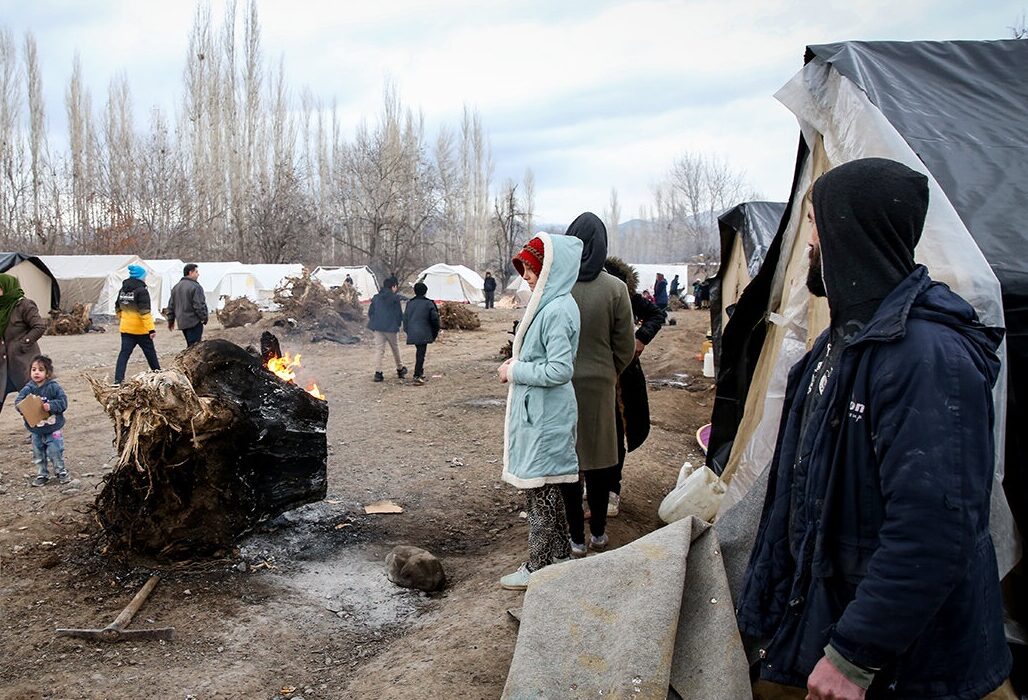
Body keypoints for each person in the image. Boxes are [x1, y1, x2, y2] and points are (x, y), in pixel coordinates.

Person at [736, 158, 1011, 699]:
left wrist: (854, 656)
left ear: (847, 228)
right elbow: (797, 503)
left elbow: (933, 530)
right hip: (820, 627)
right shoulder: (830, 351)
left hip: (907, 672)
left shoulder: (928, 359)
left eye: (814, 221)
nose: (807, 240)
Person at [497, 233, 583, 590]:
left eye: (532, 269)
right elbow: (544, 360)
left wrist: (515, 370)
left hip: (547, 418)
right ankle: (560, 556)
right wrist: (517, 363)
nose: (527, 276)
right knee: (542, 491)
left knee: (540, 496)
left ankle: (536, 567)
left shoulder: (558, 310)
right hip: (540, 415)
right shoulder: (549, 305)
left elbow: (560, 369)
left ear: (552, 269)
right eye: (525, 269)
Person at [562, 212, 636, 556]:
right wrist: (609, 370)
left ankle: (575, 539)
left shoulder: (557, 286)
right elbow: (625, 345)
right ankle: (600, 535)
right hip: (602, 384)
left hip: (561, 385)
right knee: (600, 459)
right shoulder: (616, 289)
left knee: (569, 461)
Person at [602, 257, 665, 517]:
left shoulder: (624, 291)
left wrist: (641, 338)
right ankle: (593, 485)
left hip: (621, 378)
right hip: (589, 374)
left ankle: (611, 492)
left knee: (616, 432)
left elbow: (656, 314)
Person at [15, 355, 69, 486]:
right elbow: (18, 402)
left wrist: (51, 406)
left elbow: (63, 402)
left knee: (55, 450)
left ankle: (61, 471)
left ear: (48, 373)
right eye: (33, 370)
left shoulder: (53, 387)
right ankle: (42, 474)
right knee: (38, 452)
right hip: (36, 429)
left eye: (40, 369)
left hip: (53, 427)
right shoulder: (29, 388)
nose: (36, 372)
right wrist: (24, 408)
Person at [0, 273, 46, 413]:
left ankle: (41, 433)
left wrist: (23, 344)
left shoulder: (24, 305)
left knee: (31, 403)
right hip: (2, 366)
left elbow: (39, 326)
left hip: (23, 363)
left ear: (7, 287)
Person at [114, 265, 161, 384]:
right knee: (150, 354)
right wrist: (151, 329)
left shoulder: (123, 289)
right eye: (144, 276)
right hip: (141, 330)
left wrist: (123, 318)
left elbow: (117, 307)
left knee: (124, 355)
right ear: (141, 277)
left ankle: (118, 380)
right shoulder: (142, 291)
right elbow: (145, 313)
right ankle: (159, 375)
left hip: (126, 329)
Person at [367, 276, 407, 382]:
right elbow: (399, 314)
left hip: (378, 327)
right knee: (395, 349)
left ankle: (378, 373)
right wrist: (398, 324)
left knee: (379, 350)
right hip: (391, 328)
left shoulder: (376, 297)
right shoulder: (395, 298)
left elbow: (370, 312)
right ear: (393, 286)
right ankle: (400, 369)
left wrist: (375, 322)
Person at [402, 282, 440, 385]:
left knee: (420, 352)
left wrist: (407, 330)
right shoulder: (429, 303)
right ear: (425, 292)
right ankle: (417, 374)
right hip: (423, 332)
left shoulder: (410, 303)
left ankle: (420, 372)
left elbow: (405, 319)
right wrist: (435, 332)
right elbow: (435, 319)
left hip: (413, 331)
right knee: (420, 354)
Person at [166, 263, 208, 347]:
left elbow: (171, 305)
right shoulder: (195, 287)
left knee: (190, 345)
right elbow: (199, 305)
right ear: (190, 272)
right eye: (196, 272)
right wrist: (204, 318)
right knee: (195, 347)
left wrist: (171, 320)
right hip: (193, 322)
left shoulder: (176, 287)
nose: (198, 274)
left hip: (182, 322)